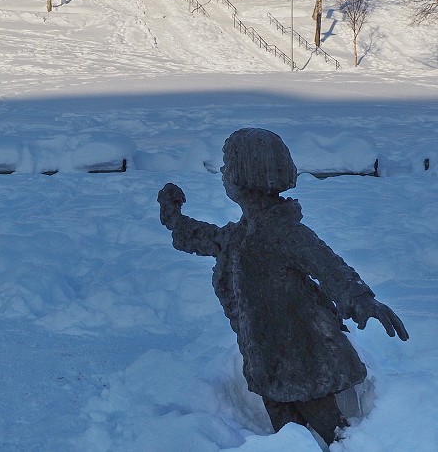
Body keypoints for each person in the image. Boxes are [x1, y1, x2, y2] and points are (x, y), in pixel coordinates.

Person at [157, 128, 408, 445]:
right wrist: (173, 217)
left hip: (307, 363)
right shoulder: (241, 234)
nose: (223, 172)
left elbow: (327, 265)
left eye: (228, 165)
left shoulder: (282, 231)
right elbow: (203, 237)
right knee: (287, 440)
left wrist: (361, 300)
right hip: (266, 365)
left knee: (336, 435)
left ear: (249, 173)